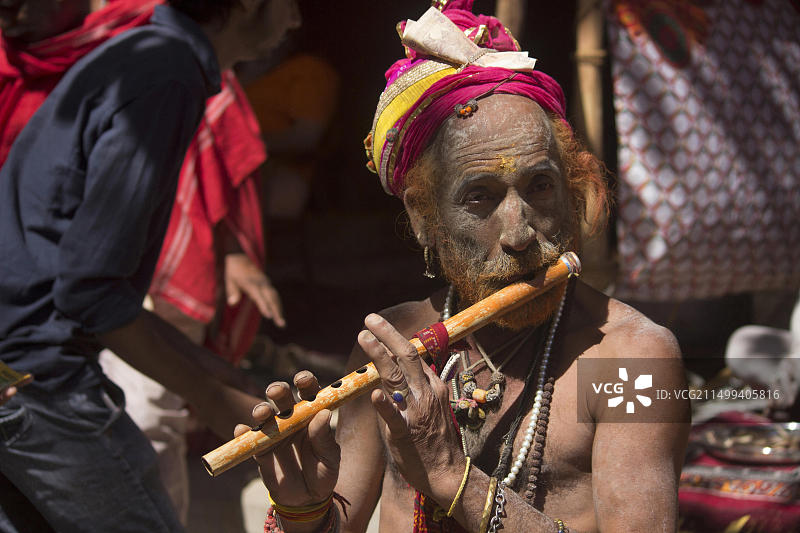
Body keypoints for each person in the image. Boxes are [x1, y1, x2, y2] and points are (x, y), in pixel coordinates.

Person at [238, 2, 690, 532]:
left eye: (541, 186)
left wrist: (453, 475)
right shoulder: (398, 346)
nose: (521, 233)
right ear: (422, 215)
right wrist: (305, 511)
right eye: (480, 197)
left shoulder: (633, 358)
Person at [0, 0, 298, 531]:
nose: (294, 21)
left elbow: (94, 287)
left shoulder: (146, 54)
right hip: (35, 376)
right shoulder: (167, 72)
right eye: (291, 5)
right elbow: (90, 292)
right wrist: (212, 397)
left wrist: (225, 376)